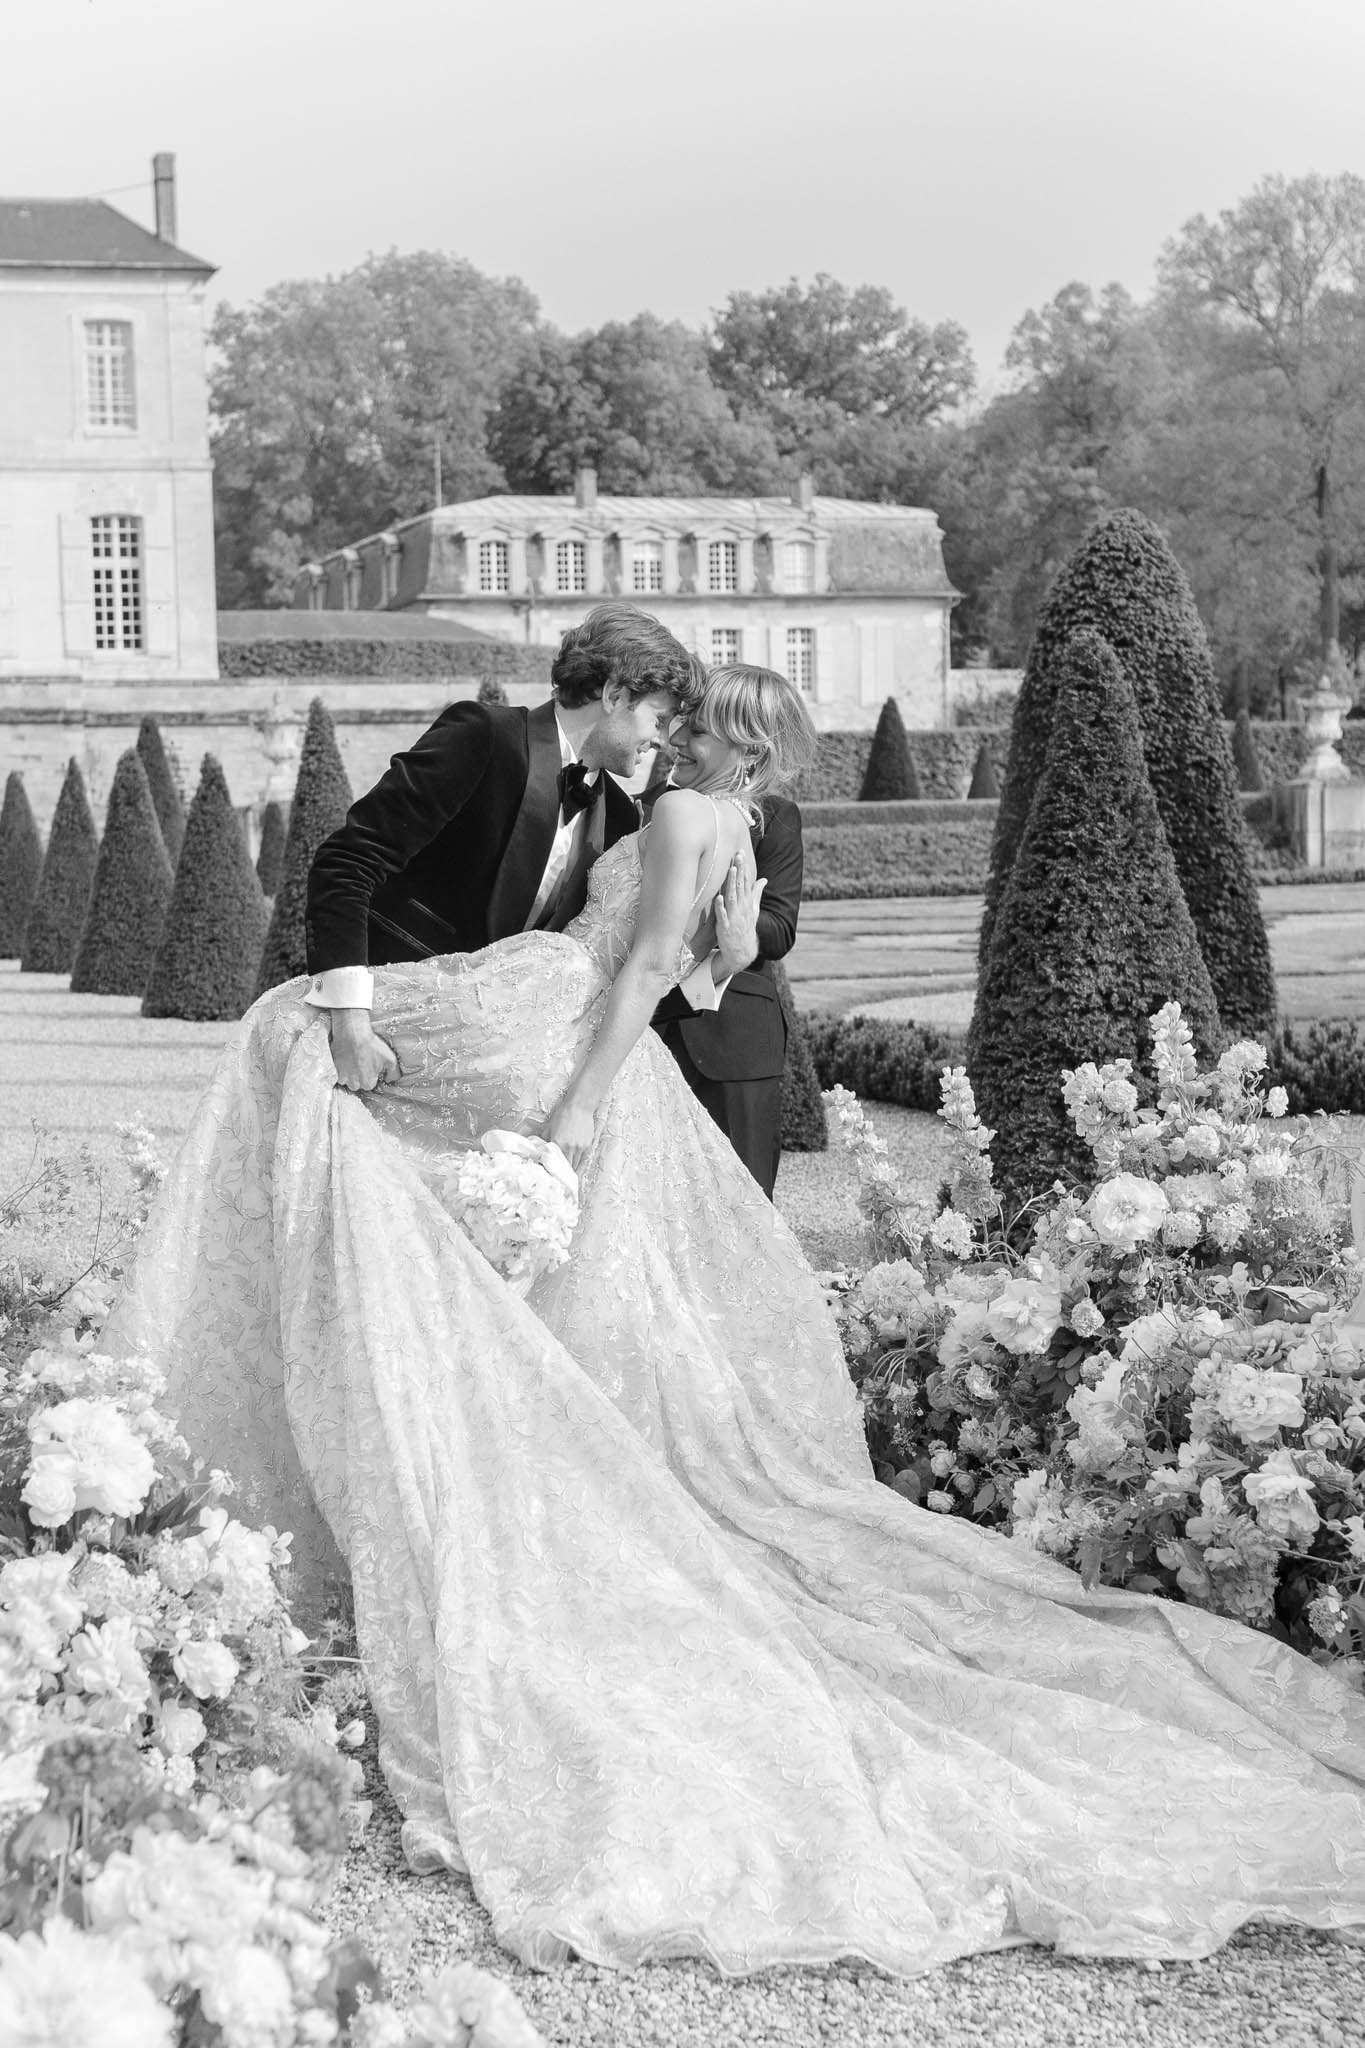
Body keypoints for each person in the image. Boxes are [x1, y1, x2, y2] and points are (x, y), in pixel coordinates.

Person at [105, 661, 1365, 1980]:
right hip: (592, 1023)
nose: (681, 723)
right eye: (678, 709)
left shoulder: (696, 816)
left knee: (293, 1041)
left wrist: (582, 1103)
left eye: (701, 717)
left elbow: (653, 971)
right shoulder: (733, 829)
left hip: (581, 1027)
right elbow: (720, 972)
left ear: (738, 744)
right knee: (553, 1290)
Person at [303, 602, 760, 1093]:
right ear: (614, 695)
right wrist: (350, 1021)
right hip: (382, 1039)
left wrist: (725, 963)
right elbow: (346, 863)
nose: (663, 739)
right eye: (658, 716)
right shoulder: (483, 738)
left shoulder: (623, 818)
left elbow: (601, 985)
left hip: (488, 1076)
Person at [650, 682, 805, 1198]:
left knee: (741, 1216)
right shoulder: (653, 808)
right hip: (645, 1031)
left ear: (750, 748)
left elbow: (780, 926)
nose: (676, 737)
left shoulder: (777, 819)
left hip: (736, 1039)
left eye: (697, 730)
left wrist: (736, 930)